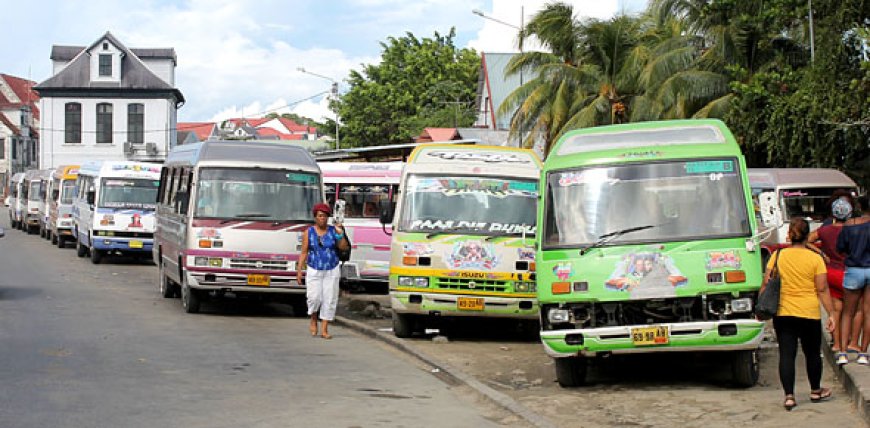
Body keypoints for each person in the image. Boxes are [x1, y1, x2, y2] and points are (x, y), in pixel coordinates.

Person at [761, 217, 836, 411]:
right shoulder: (815, 259)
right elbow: (822, 289)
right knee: (812, 353)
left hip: (783, 312)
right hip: (809, 312)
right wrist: (832, 314)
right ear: (807, 235)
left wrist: (761, 307)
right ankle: (815, 390)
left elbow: (766, 283)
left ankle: (789, 396)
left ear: (790, 235)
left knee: (787, 354)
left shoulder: (778, 255)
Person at [809, 196, 862, 364]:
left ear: (833, 214)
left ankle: (837, 344)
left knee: (835, 311)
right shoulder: (855, 229)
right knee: (856, 310)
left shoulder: (825, 231)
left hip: (830, 272)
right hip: (849, 271)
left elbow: (807, 240)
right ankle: (853, 343)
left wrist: (821, 253)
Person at [297, 202, 349, 339]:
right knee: (314, 298)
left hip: (331, 268)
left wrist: (340, 234)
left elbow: (343, 248)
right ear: (315, 217)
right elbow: (304, 252)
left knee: (329, 298)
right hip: (314, 268)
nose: (322, 219)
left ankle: (325, 328)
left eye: (325, 216)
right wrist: (299, 271)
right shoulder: (308, 232)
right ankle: (314, 318)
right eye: (320, 216)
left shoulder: (333, 231)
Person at [836, 195, 870, 365]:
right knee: (868, 312)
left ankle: (842, 353)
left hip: (854, 270)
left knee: (848, 313)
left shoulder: (849, 225)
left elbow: (840, 248)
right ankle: (863, 354)